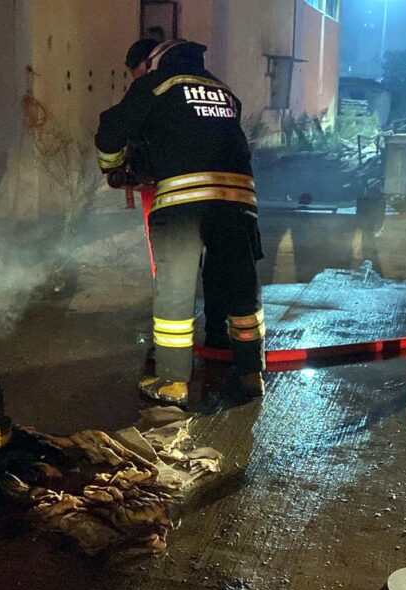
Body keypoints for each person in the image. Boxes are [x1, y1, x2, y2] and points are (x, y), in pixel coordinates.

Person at [95, 38, 265, 405]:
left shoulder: (156, 84)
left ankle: (172, 380)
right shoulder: (224, 91)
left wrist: (113, 166)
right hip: (238, 200)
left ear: (156, 61)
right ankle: (252, 372)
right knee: (240, 285)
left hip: (183, 203)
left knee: (175, 288)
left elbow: (111, 129)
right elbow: (192, 137)